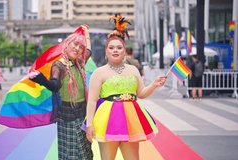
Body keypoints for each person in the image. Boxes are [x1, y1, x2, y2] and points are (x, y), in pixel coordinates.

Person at [84, 15, 167, 160]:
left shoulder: (133, 70)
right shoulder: (99, 72)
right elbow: (92, 100)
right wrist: (90, 124)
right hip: (108, 120)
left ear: (124, 51)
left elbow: (140, 93)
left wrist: (154, 85)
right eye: (111, 47)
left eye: (119, 47)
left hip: (131, 118)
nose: (115, 50)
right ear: (106, 51)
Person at [27, 25, 93, 159]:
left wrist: (86, 33)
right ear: (67, 44)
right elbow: (54, 85)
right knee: (72, 155)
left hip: (82, 114)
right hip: (67, 116)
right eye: (75, 44)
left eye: (81, 47)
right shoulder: (59, 65)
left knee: (85, 152)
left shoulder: (79, 63)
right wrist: (41, 80)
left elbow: (89, 51)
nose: (77, 48)